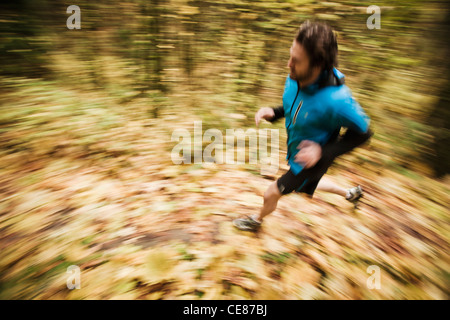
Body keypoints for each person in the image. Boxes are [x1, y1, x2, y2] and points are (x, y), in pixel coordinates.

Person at [233, 21, 373, 232]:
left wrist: (322, 152)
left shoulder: (337, 100)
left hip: (311, 162)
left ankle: (256, 221)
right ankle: (350, 193)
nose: (288, 64)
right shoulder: (296, 77)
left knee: (271, 193)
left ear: (316, 67)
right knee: (307, 185)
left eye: (296, 60)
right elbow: (297, 106)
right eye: (290, 55)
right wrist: (275, 113)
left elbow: (364, 133)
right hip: (297, 153)